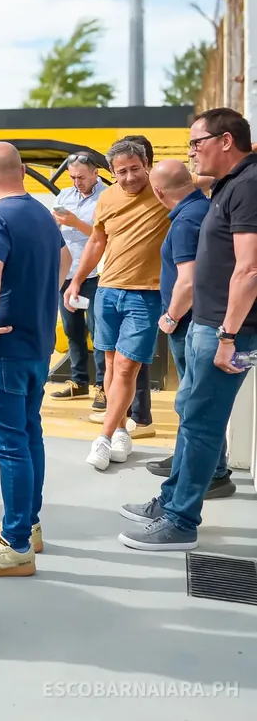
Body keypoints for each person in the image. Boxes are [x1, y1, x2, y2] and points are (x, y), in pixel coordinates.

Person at [119, 108, 257, 551]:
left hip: (224, 330)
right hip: (211, 325)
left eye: (196, 143)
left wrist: (229, 336)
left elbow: (250, 270)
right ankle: (170, 501)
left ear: (226, 141)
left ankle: (181, 521)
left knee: (201, 422)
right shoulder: (230, 186)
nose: (191, 152)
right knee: (194, 418)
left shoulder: (249, 185)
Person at [0, 143, 71, 577]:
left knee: (10, 446)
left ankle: (17, 544)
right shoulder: (41, 211)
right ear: (22, 172)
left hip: (2, 348)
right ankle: (27, 524)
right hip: (36, 343)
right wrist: (36, 297)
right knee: (28, 434)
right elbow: (63, 258)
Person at [64, 139, 170, 471]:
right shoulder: (108, 198)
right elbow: (97, 240)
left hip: (146, 294)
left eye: (135, 169)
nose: (129, 177)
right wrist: (78, 280)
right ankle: (122, 429)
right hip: (108, 291)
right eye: (121, 171)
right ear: (111, 172)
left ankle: (103, 437)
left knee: (127, 368)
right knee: (109, 366)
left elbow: (209, 178)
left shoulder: (164, 188)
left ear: (147, 165)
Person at [142, 159, 235, 499]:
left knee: (192, 405)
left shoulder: (184, 222)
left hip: (190, 323)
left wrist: (169, 317)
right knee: (197, 404)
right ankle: (200, 465)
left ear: (158, 191)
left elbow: (187, 281)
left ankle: (207, 473)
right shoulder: (202, 207)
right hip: (207, 319)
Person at [49, 152, 106, 403]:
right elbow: (55, 229)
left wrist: (75, 222)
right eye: (72, 177)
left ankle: (103, 386)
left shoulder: (107, 197)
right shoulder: (65, 195)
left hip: (95, 274)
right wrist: (57, 224)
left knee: (99, 332)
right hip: (67, 274)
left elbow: (105, 234)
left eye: (81, 177)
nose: (76, 182)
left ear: (96, 173)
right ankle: (79, 381)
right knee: (73, 331)